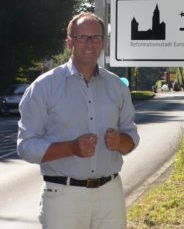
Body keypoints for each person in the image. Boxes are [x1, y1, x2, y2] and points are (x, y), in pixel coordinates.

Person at [18, 12, 139, 229]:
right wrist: (71, 148)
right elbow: (26, 147)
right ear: (70, 41)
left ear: (103, 42)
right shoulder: (44, 87)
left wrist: (120, 141)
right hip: (64, 198)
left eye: (96, 37)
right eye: (82, 37)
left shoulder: (117, 87)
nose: (90, 44)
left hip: (110, 195)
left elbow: (131, 139)